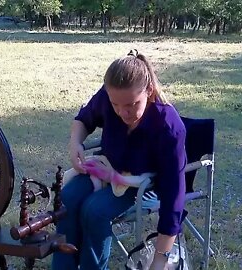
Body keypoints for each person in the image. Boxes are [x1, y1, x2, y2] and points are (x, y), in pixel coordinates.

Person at [52, 49, 187, 270]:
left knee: (94, 211)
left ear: (149, 91)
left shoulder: (169, 127)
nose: (122, 113)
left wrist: (160, 258)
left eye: (131, 105)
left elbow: (173, 195)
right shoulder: (108, 96)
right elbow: (84, 119)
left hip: (144, 185)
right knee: (67, 198)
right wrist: (75, 142)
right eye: (116, 105)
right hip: (106, 171)